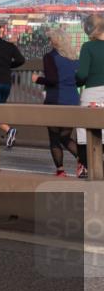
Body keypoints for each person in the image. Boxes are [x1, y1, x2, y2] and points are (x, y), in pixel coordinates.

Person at [33, 28, 83, 177]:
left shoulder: (50, 57)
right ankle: (84, 161)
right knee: (66, 136)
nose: (48, 42)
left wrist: (38, 79)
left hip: (55, 100)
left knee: (55, 138)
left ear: (54, 42)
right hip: (73, 100)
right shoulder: (74, 58)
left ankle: (61, 171)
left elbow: (52, 80)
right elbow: (80, 80)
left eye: (49, 39)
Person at [76, 13, 104, 178]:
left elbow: (82, 75)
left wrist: (76, 81)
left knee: (83, 130)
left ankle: (85, 167)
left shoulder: (88, 47)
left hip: (92, 92)